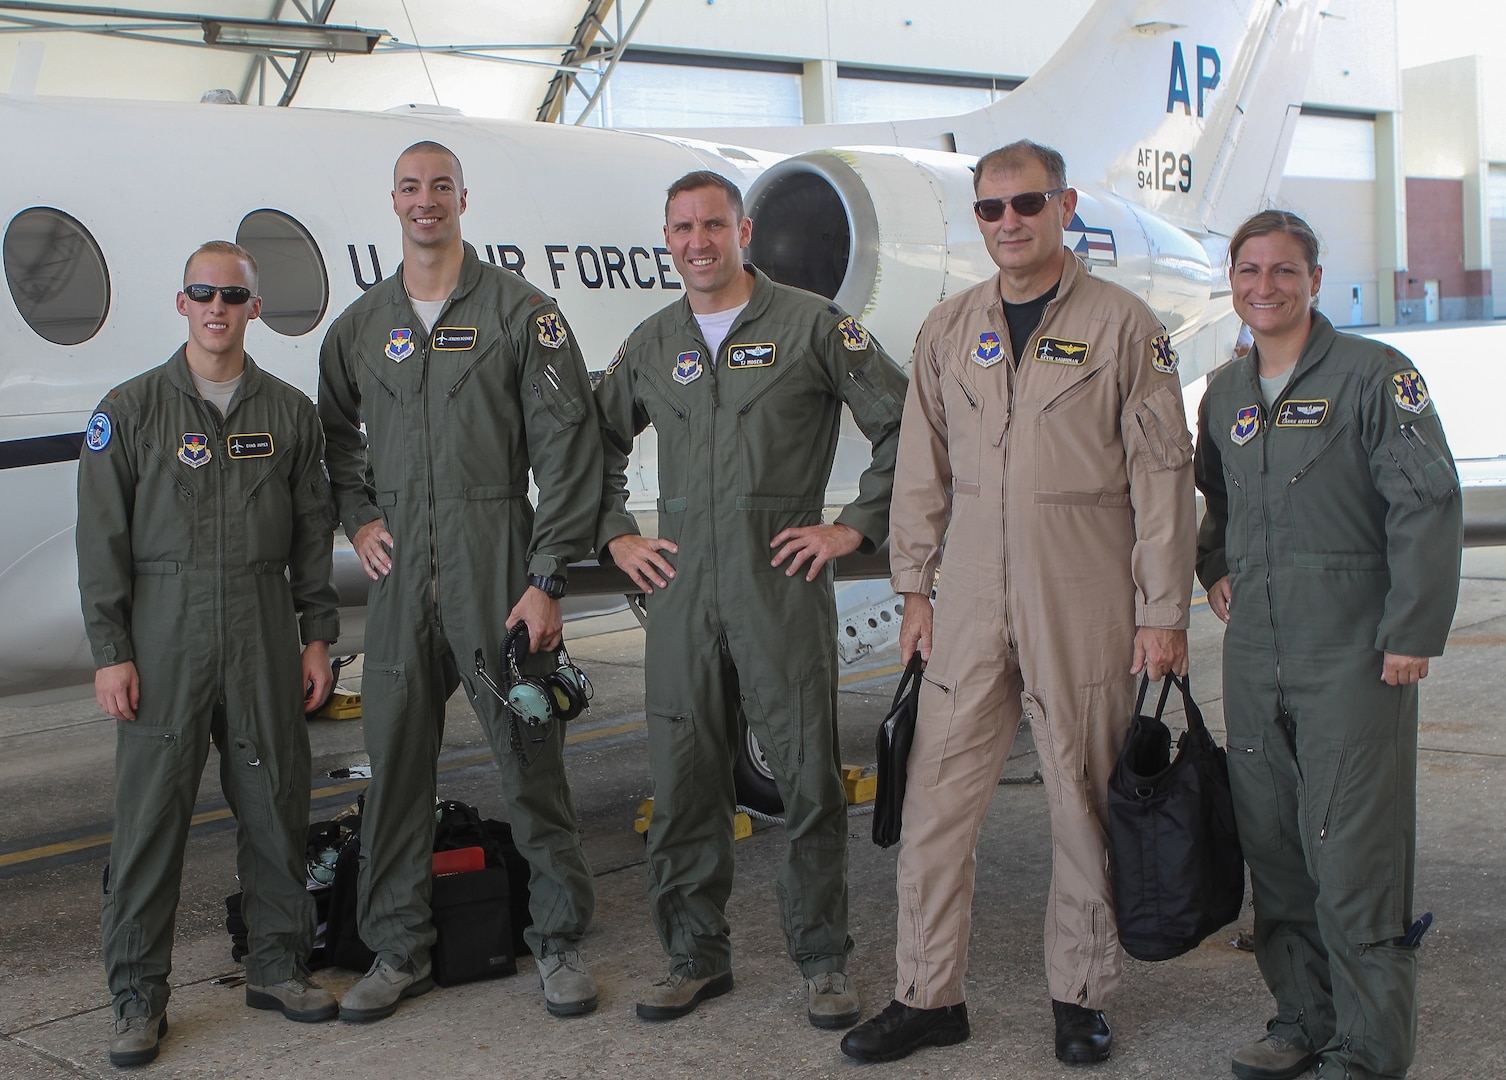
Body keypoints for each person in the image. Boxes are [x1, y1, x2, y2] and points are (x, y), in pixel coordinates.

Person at [840, 140, 1196, 1066]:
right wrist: (912, 586)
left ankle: (1079, 997)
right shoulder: (950, 328)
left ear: (1064, 205)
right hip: (964, 596)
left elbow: (1163, 478)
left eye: (1026, 204)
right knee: (933, 800)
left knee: (1082, 797)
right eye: (991, 209)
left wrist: (1163, 611)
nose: (1008, 223)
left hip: (1080, 588)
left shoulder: (1126, 327)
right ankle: (926, 994)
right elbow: (922, 469)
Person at [594, 170, 908, 1029]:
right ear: (668, 239)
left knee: (806, 779)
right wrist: (618, 531)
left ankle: (823, 960)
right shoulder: (653, 342)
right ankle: (694, 956)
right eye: (682, 228)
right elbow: (592, 441)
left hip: (781, 582)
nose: (698, 242)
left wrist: (852, 529)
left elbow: (904, 423)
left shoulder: (813, 325)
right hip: (681, 589)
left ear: (745, 229)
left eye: (714, 225)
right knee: (685, 780)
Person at [318, 141, 601, 1022]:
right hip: (403, 571)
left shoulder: (524, 313)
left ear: (463, 199)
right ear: (393, 200)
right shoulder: (363, 325)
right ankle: (398, 948)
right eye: (411, 187)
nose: (425, 201)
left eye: (441, 187)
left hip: (496, 559)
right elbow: (333, 439)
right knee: (397, 765)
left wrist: (547, 577)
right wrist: (360, 517)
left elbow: (568, 452)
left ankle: (554, 940)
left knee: (528, 761)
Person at [1194, 211, 1462, 1080]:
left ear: (1314, 277)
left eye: (1283, 271)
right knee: (1273, 845)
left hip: (1351, 646)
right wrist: (1212, 567)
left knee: (1352, 850)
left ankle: (1369, 1047)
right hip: (1256, 648)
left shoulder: (1375, 375)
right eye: (1249, 271)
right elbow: (1218, 500)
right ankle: (1301, 1019)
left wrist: (1412, 629)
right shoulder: (1226, 392)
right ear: (1231, 279)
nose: (1263, 287)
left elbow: (1427, 503)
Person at [78, 240, 341, 1068]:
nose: (218, 308)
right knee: (150, 824)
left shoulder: (290, 414)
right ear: (182, 303)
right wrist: (112, 649)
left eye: (233, 295)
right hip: (164, 635)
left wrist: (318, 636)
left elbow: (311, 535)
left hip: (263, 631)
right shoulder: (130, 410)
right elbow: (102, 541)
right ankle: (135, 1000)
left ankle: (277, 966)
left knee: (275, 807)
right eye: (203, 294)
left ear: (254, 308)